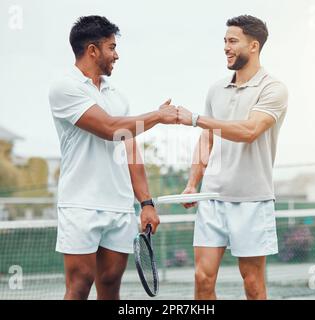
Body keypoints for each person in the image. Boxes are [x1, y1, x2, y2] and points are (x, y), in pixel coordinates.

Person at [48, 15, 178, 300]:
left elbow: (130, 149)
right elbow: (109, 129)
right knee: (80, 285)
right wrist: (158, 116)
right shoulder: (64, 88)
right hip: (80, 205)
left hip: (119, 207)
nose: (116, 55)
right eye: (111, 47)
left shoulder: (118, 96)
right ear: (92, 50)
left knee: (110, 285)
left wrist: (146, 203)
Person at [177, 15, 288, 300]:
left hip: (252, 200)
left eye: (232, 41)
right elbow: (208, 139)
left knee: (252, 284)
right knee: (202, 279)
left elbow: (249, 130)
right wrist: (193, 183)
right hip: (212, 199)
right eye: (224, 41)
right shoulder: (215, 89)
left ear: (254, 46)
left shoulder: (273, 89)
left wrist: (196, 119)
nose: (226, 47)